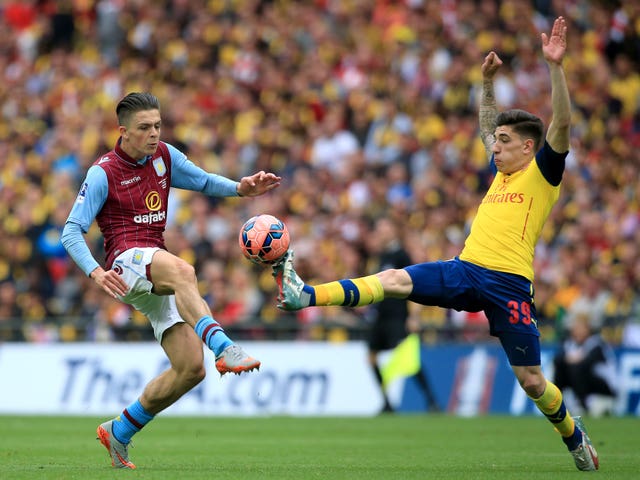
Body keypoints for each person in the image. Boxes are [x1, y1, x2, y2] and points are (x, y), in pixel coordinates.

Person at [273, 17, 599, 471]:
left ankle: (573, 435)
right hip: (465, 269)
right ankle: (305, 294)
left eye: (505, 142)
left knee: (530, 380)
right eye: (496, 142)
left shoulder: (543, 173)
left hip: (508, 285)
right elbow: (489, 124)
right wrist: (487, 84)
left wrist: (555, 68)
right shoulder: (504, 172)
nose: (495, 148)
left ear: (529, 147)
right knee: (393, 280)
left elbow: (561, 122)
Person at [61, 92, 281, 469]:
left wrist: (240, 189)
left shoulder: (164, 155)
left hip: (152, 267)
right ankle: (225, 347)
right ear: (123, 132)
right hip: (125, 260)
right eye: (144, 127)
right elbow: (71, 231)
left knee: (190, 369)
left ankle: (120, 431)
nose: (153, 134)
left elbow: (203, 180)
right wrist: (95, 272)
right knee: (184, 271)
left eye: (158, 126)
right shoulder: (104, 172)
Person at [365, 217, 440, 413]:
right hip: (381, 316)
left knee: (409, 361)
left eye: (384, 228)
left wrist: (413, 315)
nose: (381, 232)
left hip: (398, 316)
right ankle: (387, 402)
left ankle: (431, 400)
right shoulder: (380, 256)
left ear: (393, 231)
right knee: (371, 357)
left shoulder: (401, 256)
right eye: (379, 228)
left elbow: (413, 285)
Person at [553, 314, 617, 417]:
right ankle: (556, 403)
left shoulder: (597, 343)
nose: (577, 331)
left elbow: (588, 361)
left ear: (588, 329)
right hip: (585, 382)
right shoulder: (570, 343)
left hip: (604, 385)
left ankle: (583, 404)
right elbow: (559, 360)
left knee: (577, 368)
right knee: (560, 365)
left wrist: (572, 359)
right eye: (575, 328)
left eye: (580, 328)